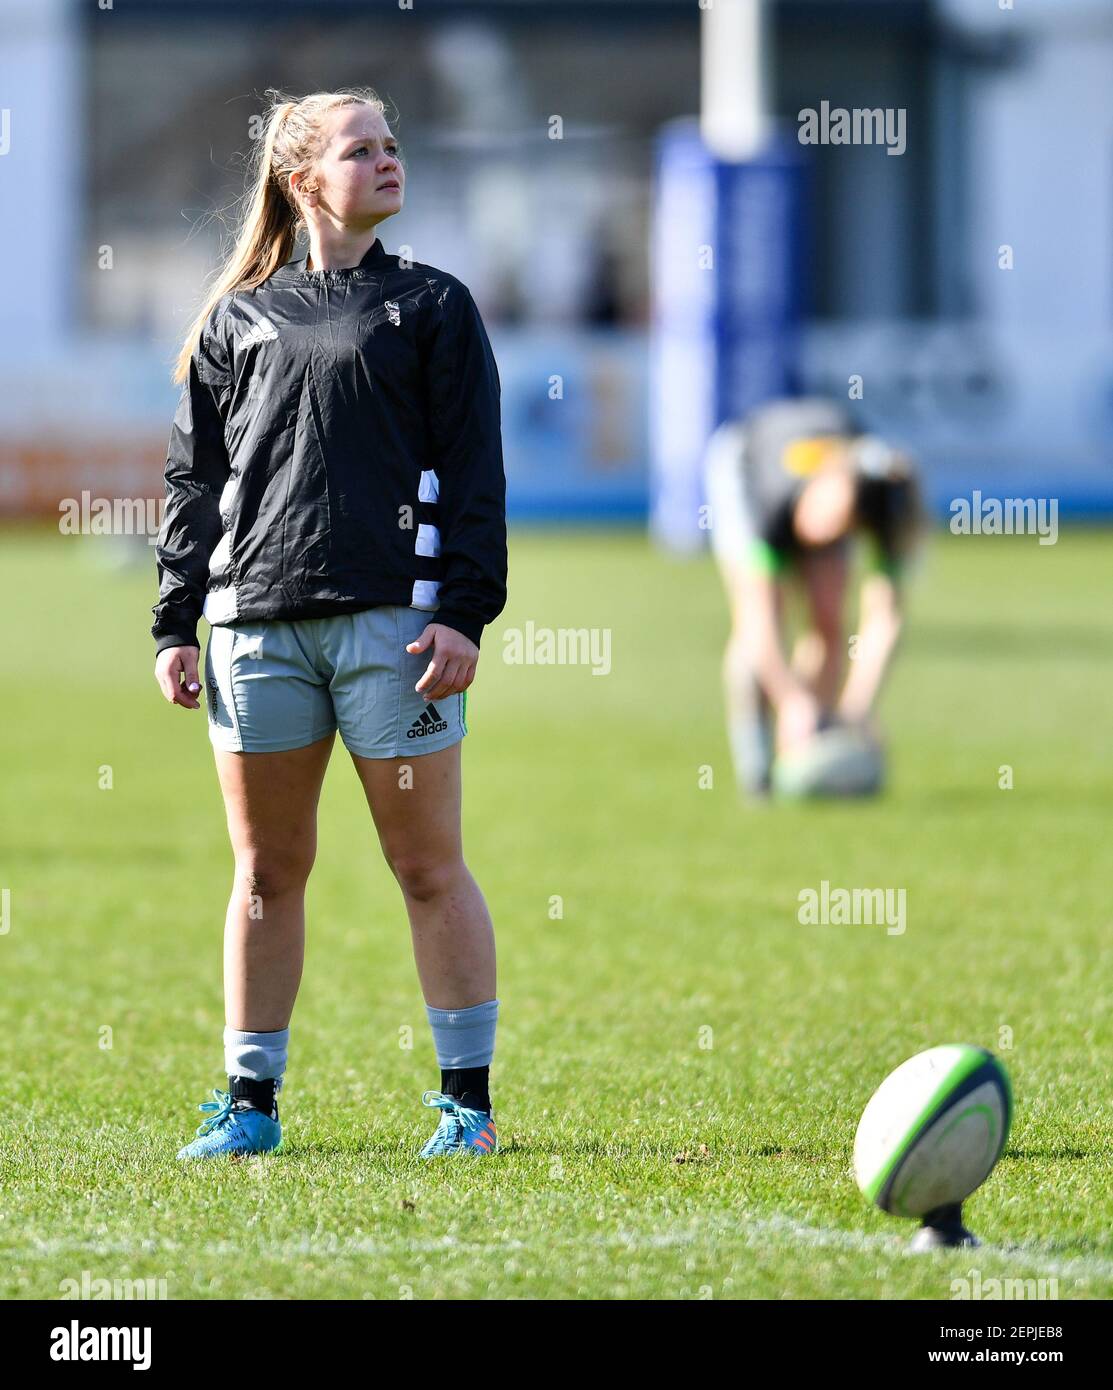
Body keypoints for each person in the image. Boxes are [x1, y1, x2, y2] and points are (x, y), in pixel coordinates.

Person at [151, 87, 506, 1161]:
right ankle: (249, 1106)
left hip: (393, 637)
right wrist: (174, 622)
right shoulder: (235, 317)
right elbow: (193, 481)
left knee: (428, 866)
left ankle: (466, 1107)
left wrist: (464, 614)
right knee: (266, 872)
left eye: (393, 144)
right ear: (304, 179)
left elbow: (479, 478)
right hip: (255, 633)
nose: (388, 160)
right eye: (362, 148)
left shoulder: (435, 308)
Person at [703, 396, 924, 796]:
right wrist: (789, 700)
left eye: (838, 532)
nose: (820, 541)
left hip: (825, 484)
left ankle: (814, 746)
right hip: (742, 458)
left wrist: (857, 707)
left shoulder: (882, 501)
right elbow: (760, 625)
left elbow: (885, 618)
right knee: (752, 629)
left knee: (828, 618)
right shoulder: (768, 500)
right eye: (823, 523)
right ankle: (757, 766)